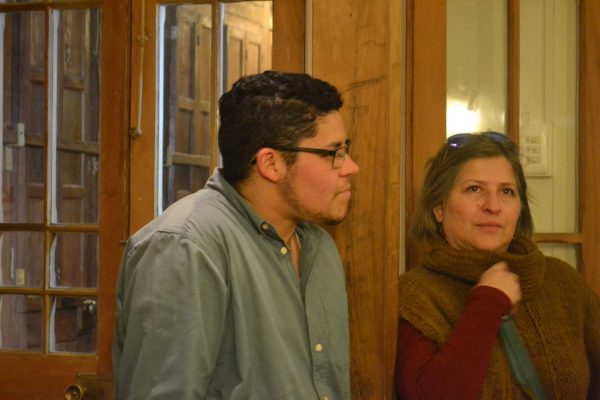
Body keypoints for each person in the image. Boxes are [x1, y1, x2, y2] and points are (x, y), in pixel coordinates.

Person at [113, 70, 359, 399]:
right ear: (271, 164)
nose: (350, 166)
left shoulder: (318, 245)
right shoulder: (186, 245)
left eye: (345, 149)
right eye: (333, 153)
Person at [395, 132, 600, 399]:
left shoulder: (561, 280)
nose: (493, 206)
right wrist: (488, 302)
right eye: (474, 189)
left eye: (506, 191)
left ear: (519, 208)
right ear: (438, 208)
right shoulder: (415, 297)